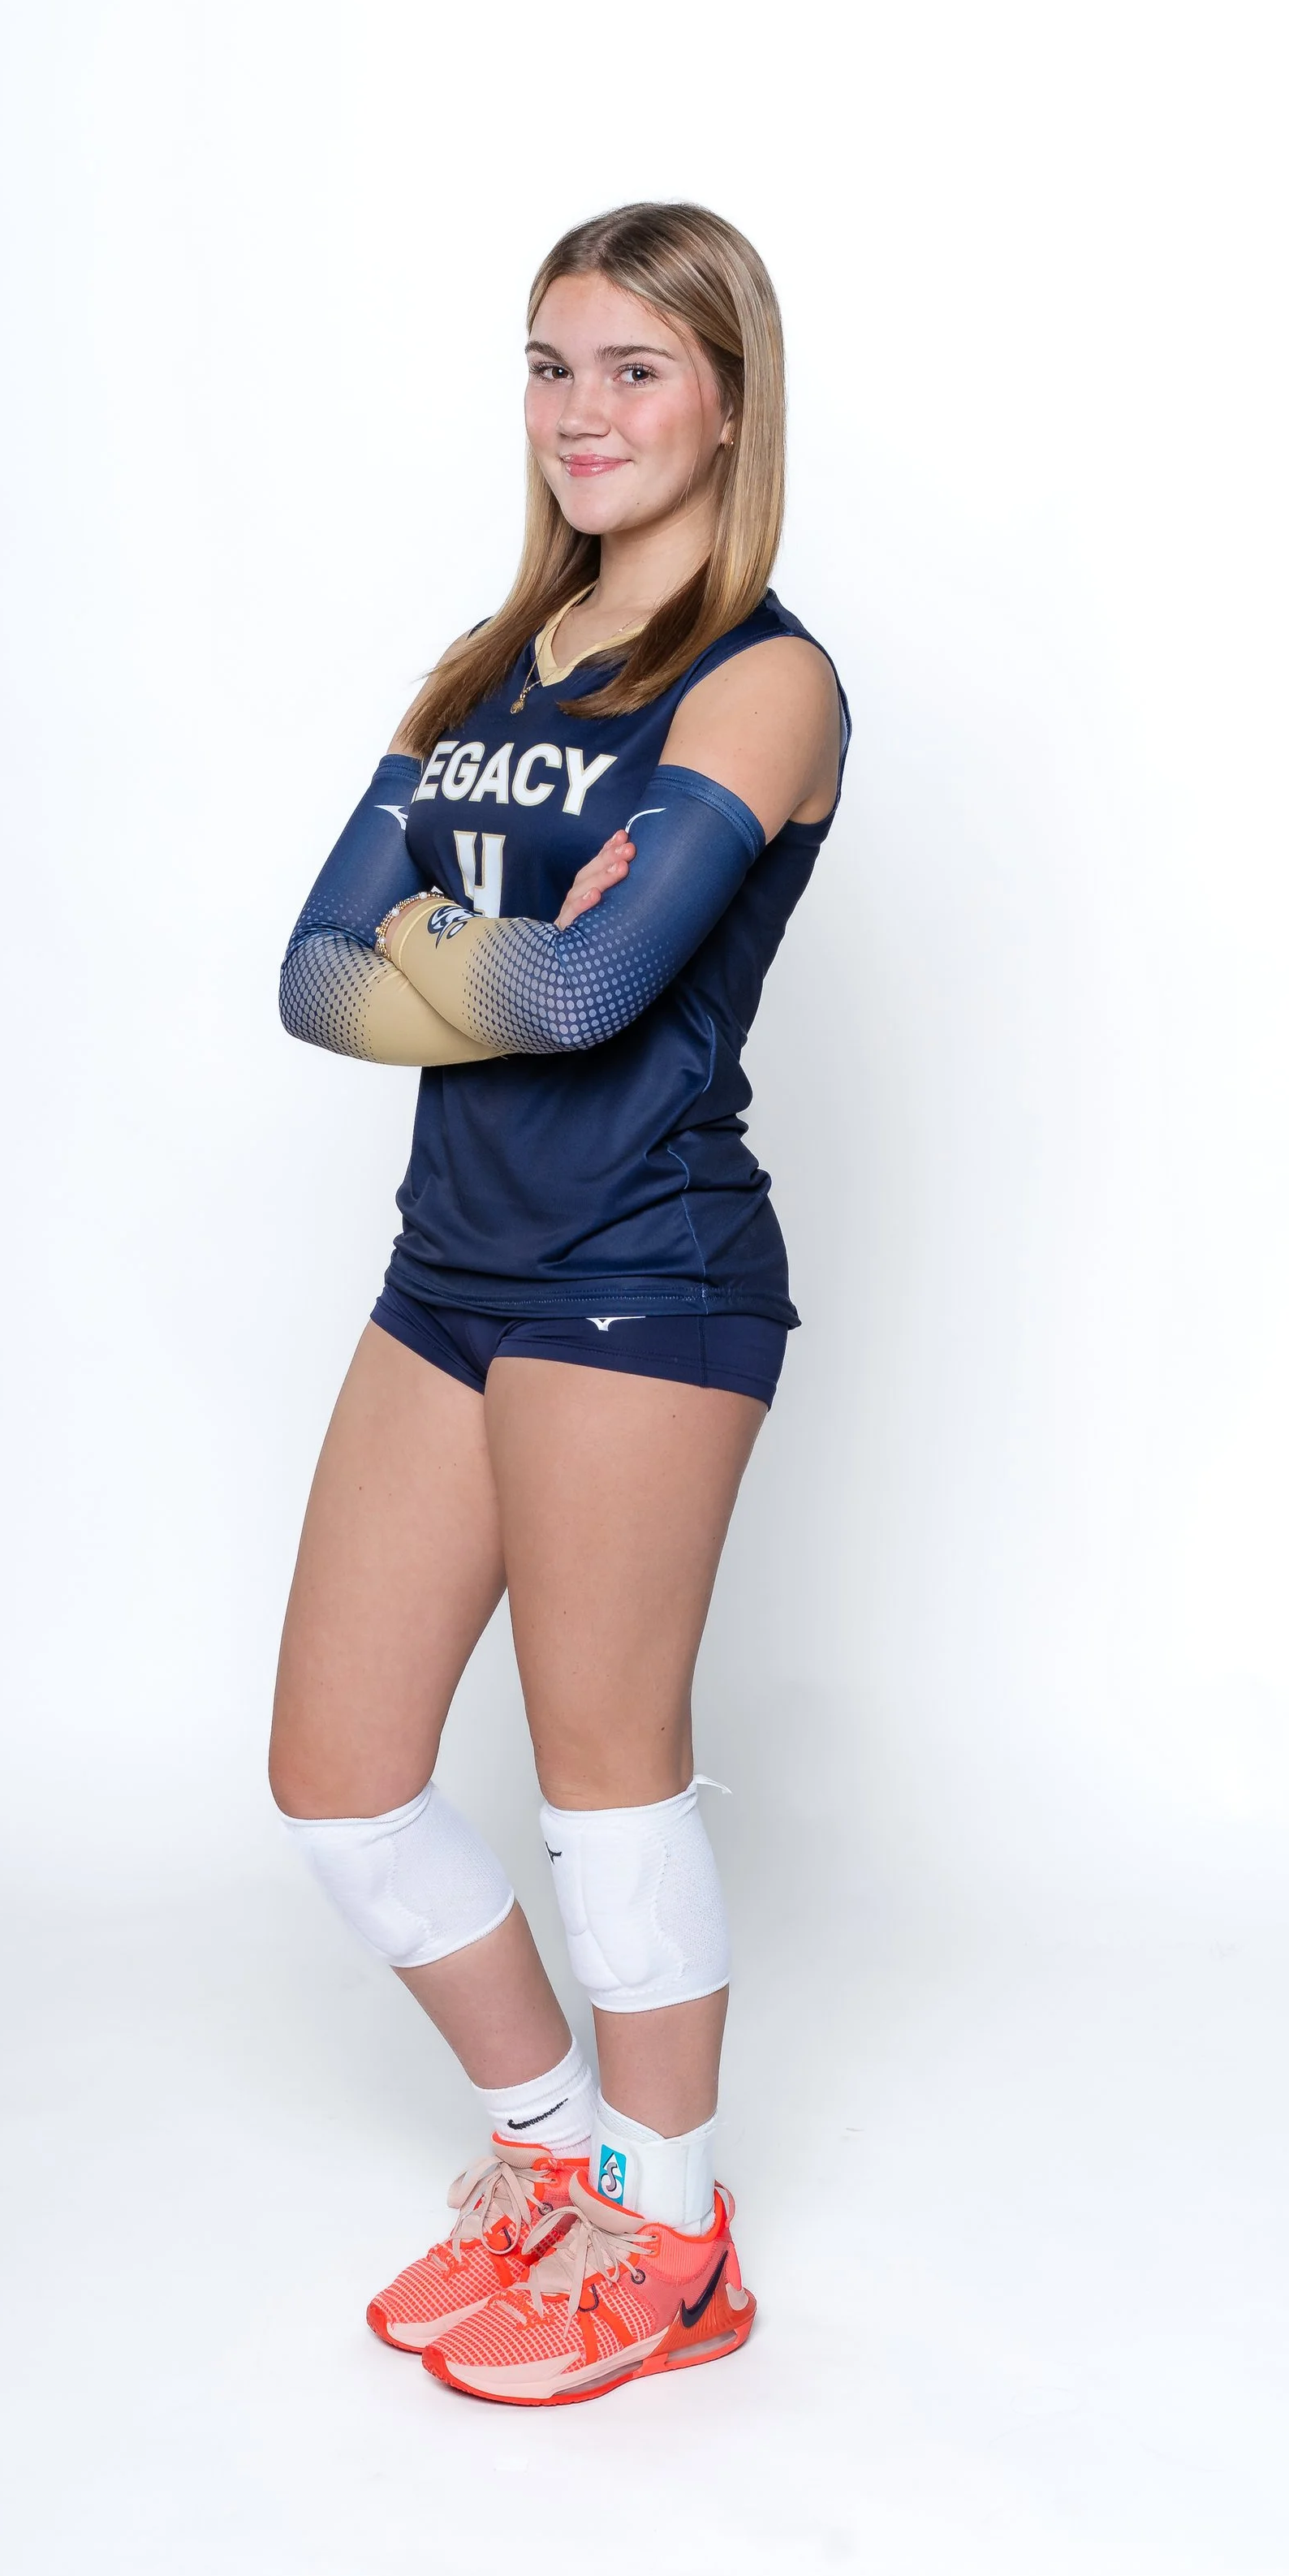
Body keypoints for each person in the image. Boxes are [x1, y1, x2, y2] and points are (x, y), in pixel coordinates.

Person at [271, 201, 848, 2406]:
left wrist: (460, 961)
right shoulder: (486, 671)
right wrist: (490, 972)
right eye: (549, 363)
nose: (582, 411)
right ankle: (552, 2160)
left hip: (643, 1272)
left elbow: (603, 986)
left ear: (724, 396)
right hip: (453, 1268)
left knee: (603, 1783)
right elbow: (314, 982)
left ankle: (674, 2228)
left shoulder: (765, 675)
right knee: (338, 1778)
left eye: (632, 366)